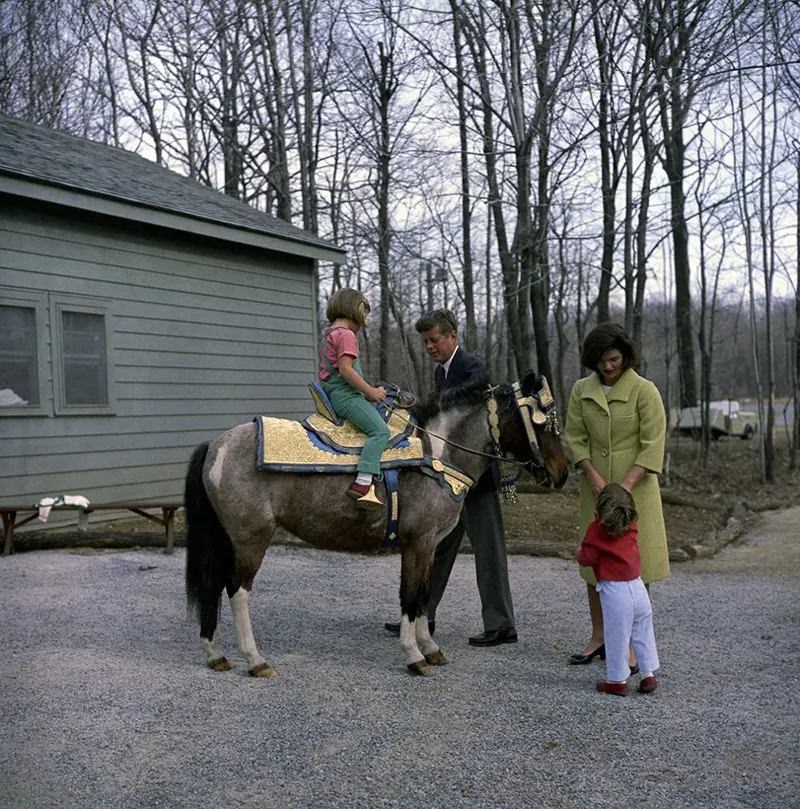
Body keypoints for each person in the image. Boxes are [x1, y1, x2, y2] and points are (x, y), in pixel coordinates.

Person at [384, 308, 517, 646]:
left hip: (477, 477)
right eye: (425, 341)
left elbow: (469, 397)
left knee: (489, 549)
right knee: (436, 547)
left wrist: (428, 406)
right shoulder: (441, 373)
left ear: (452, 335)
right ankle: (420, 615)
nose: (429, 346)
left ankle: (501, 624)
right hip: (449, 478)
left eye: (434, 339)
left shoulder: (470, 366)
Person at [564, 322, 669, 666]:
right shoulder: (582, 390)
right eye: (601, 361)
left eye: (613, 359)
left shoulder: (645, 390)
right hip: (594, 490)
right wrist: (592, 476)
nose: (607, 367)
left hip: (636, 491)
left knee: (634, 566)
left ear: (625, 355)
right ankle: (600, 637)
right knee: (596, 562)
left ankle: (634, 644)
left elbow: (653, 443)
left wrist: (625, 486)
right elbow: (574, 437)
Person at [577, 483, 659, 695]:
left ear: (599, 512)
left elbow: (588, 558)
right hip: (638, 588)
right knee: (642, 632)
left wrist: (579, 552)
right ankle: (648, 675)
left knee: (616, 635)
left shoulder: (596, 530)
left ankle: (617, 681)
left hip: (615, 592)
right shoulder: (632, 526)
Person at [318, 288, 389, 511]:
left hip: (332, 394)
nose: (363, 323)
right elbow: (347, 372)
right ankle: (363, 482)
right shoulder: (347, 335)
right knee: (381, 431)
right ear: (355, 312)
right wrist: (371, 392)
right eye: (363, 317)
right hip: (346, 396)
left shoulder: (329, 334)